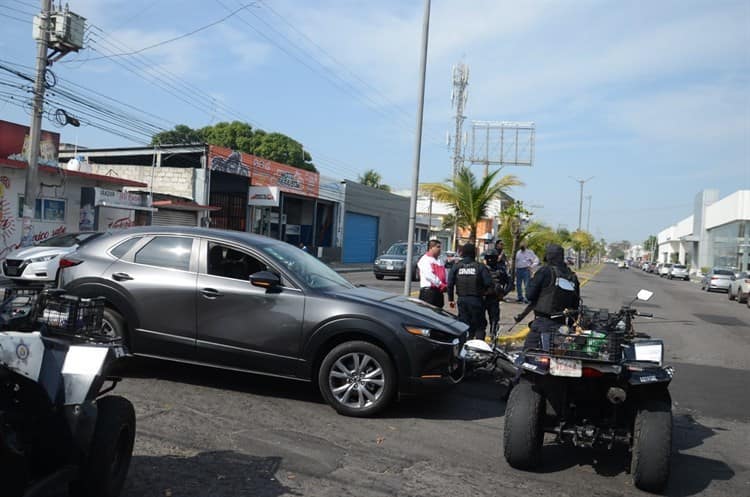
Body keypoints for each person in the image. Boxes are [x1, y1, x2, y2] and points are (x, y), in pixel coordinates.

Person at [522, 243, 580, 350]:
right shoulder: (572, 276)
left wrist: (531, 280)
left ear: (548, 256)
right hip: (562, 325)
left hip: (542, 323)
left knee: (527, 356)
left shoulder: (545, 271)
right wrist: (571, 327)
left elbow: (529, 295)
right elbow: (575, 305)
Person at [447, 243, 492, 340]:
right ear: (474, 253)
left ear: (462, 253)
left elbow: (450, 284)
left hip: (462, 300)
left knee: (464, 326)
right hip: (477, 300)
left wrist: (450, 299)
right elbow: (489, 283)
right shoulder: (480, 267)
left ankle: (464, 348)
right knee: (479, 326)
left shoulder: (456, 266)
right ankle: (479, 349)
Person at [482, 248, 505, 340]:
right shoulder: (482, 269)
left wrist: (502, 293)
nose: (490, 260)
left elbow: (509, 283)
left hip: (494, 298)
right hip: (483, 297)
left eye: (492, 258)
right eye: (488, 258)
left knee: (494, 320)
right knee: (480, 320)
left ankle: (493, 336)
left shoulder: (500, 270)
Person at [417, 239, 447, 307]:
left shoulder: (440, 261)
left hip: (439, 292)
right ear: (431, 248)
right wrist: (440, 284)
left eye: (440, 247)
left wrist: (446, 284)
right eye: (438, 247)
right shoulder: (425, 259)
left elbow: (445, 274)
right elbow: (429, 275)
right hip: (428, 293)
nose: (440, 249)